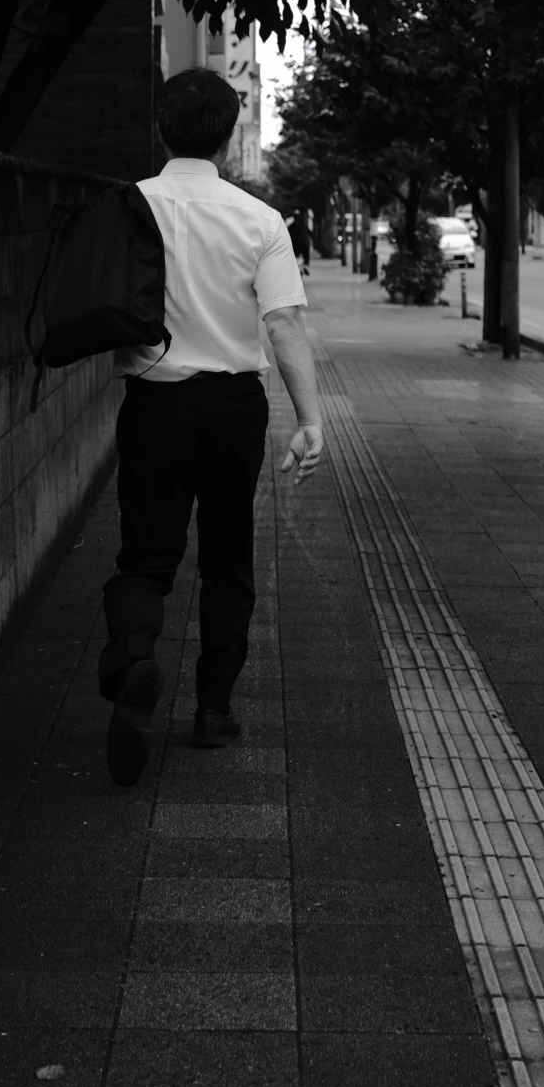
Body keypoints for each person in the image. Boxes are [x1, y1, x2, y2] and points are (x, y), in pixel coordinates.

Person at [99, 69, 325, 786]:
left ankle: (135, 658)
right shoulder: (258, 219)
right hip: (232, 407)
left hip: (153, 403)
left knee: (144, 556)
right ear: (229, 136)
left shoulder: (127, 206)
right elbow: (283, 321)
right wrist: (309, 417)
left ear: (160, 129)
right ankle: (213, 710)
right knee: (227, 557)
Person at [288, 210, 312, 275]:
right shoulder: (304, 226)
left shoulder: (290, 227)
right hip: (304, 244)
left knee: (295, 255)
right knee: (306, 254)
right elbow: (310, 233)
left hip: (295, 245)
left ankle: (296, 267)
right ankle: (306, 265)